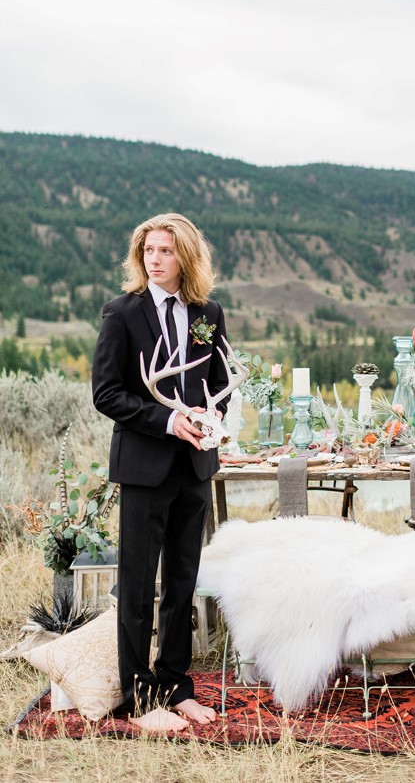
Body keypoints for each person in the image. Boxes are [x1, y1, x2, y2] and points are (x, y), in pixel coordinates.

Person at [92, 213, 229, 733]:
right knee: (136, 585)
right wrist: (170, 420)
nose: (155, 258)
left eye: (166, 250)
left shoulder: (207, 312)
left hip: (194, 465)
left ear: (185, 256)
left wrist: (210, 416)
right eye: (148, 250)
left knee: (181, 582)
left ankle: (176, 687)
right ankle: (139, 698)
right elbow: (107, 394)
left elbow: (219, 381)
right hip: (146, 466)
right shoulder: (121, 314)